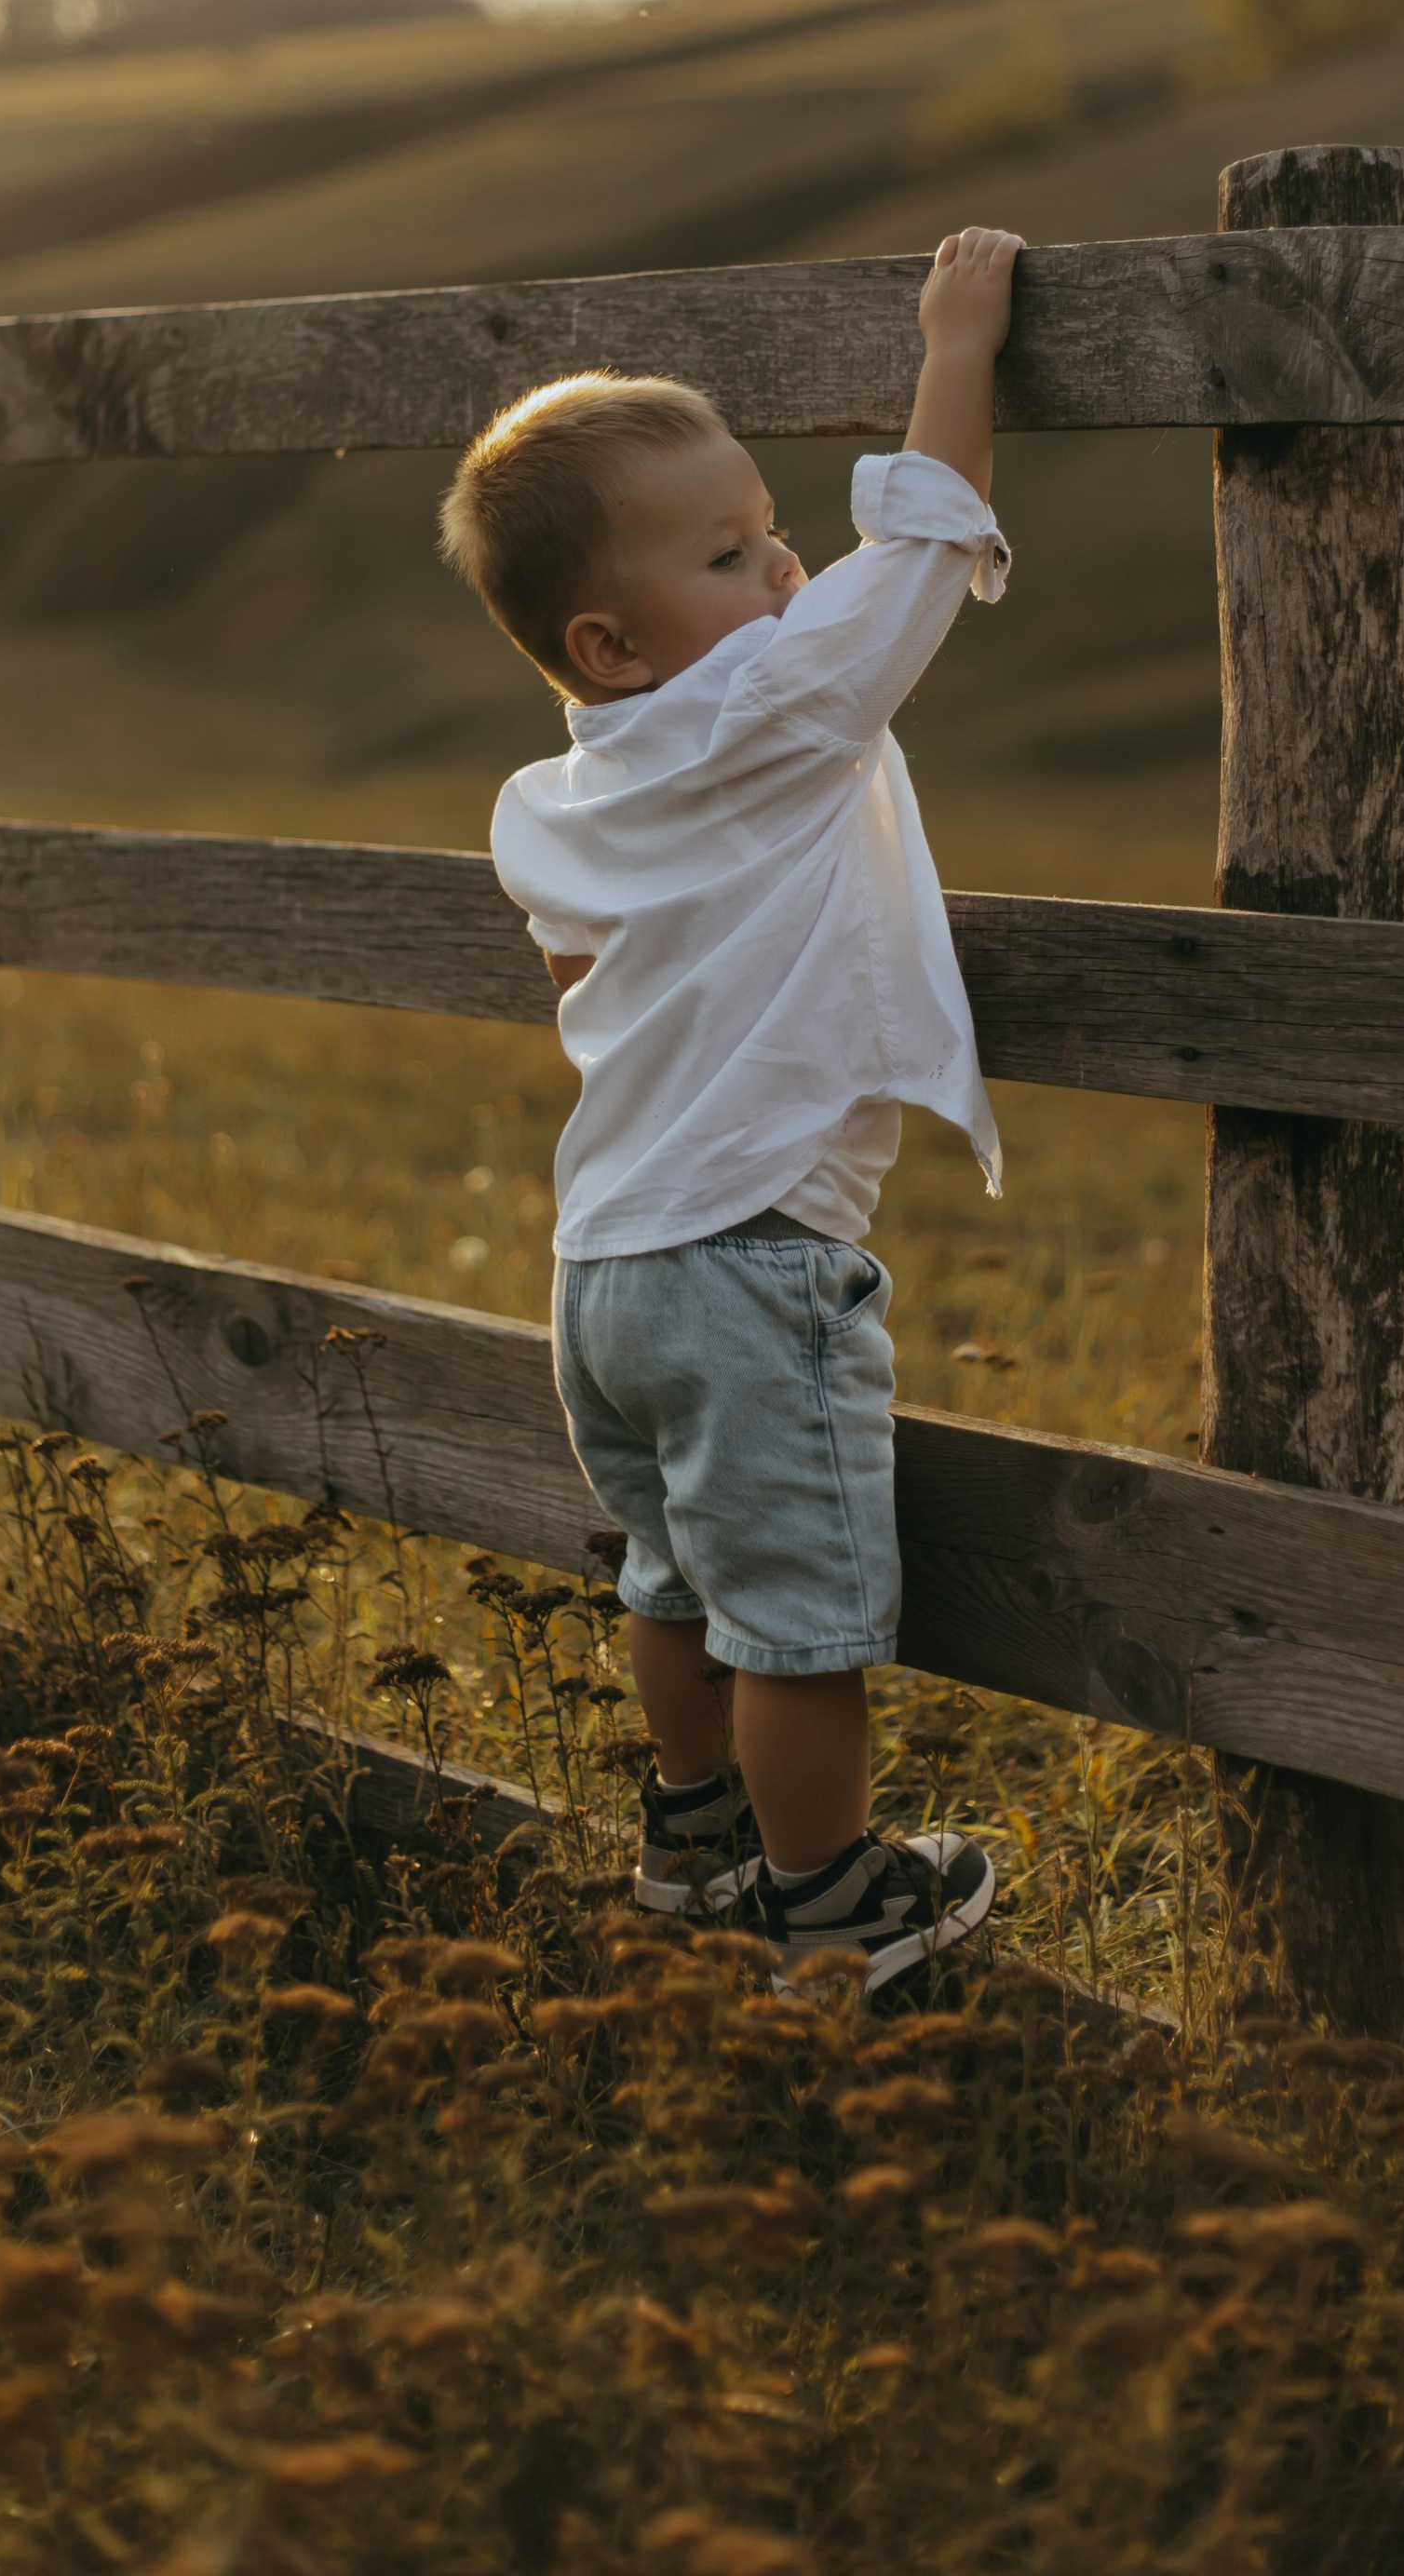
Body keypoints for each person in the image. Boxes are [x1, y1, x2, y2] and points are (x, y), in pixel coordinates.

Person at [437, 226, 1023, 1999]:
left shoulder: (547, 803)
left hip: (603, 1260)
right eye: (730, 551)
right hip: (752, 1251)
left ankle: (691, 1838)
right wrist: (959, 339)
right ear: (610, 643)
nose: (782, 570)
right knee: (799, 1620)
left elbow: (574, 979)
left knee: (675, 1586)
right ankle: (832, 1902)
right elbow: (917, 551)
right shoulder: (773, 708)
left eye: (773, 532)